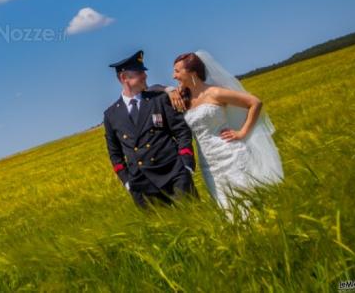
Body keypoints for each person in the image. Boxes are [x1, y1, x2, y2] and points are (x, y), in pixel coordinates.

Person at [171, 50, 284, 214]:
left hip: (230, 154)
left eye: (177, 71)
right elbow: (157, 90)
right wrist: (170, 91)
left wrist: (242, 132)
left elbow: (255, 102)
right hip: (208, 163)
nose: (174, 76)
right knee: (226, 210)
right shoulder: (183, 98)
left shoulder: (215, 93)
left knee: (248, 206)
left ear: (192, 72)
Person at [102, 50, 199, 209]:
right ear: (124, 78)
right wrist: (127, 182)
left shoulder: (159, 99)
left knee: (196, 221)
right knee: (160, 232)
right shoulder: (111, 115)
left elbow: (182, 132)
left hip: (175, 175)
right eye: (140, 72)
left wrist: (186, 165)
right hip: (142, 186)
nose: (145, 76)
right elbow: (115, 154)